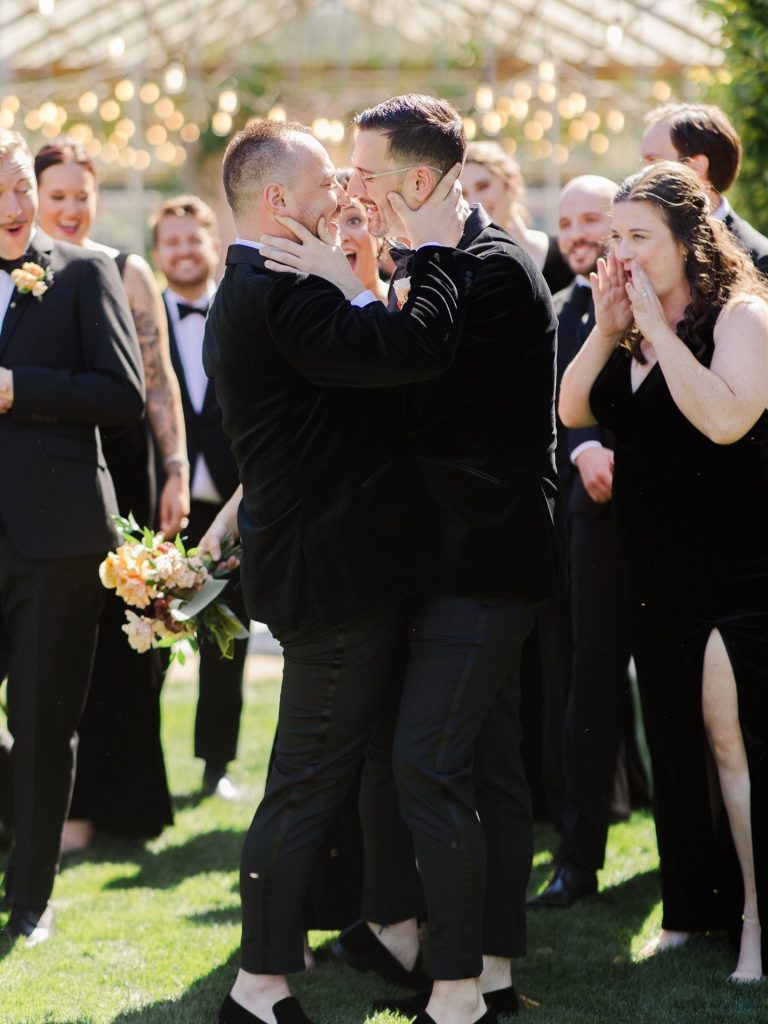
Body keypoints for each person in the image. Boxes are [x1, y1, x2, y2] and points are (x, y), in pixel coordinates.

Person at [260, 94, 561, 1024]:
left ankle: (466, 987)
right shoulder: (442, 261)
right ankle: (488, 973)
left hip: (487, 562)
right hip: (443, 562)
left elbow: (410, 391)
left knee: (431, 765)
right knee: (475, 765)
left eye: (366, 175)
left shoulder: (494, 269)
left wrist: (347, 287)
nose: (352, 190)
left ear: (421, 181)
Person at [202, 117, 475, 1024]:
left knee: (346, 765)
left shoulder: (258, 281)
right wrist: (358, 281)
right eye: (327, 188)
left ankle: (384, 924)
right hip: (332, 575)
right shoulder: (283, 288)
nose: (344, 200)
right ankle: (259, 980)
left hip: (336, 566)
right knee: (308, 776)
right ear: (278, 201)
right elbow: (401, 361)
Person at [559, 161, 768, 981]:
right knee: (677, 744)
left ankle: (756, 921)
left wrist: (662, 331)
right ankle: (691, 908)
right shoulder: (626, 321)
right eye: (615, 237)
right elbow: (572, 408)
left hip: (738, 570)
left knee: (730, 742)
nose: (622, 251)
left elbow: (723, 418)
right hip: (652, 571)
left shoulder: (742, 315)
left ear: (688, 240)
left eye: (638, 237)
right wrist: (610, 331)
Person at [0, 129, 144, 944]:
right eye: (5, 195)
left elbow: (121, 392)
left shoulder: (87, 271)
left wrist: (22, 388)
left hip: (55, 539)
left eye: (24, 187)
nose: (20, 208)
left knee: (45, 720)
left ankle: (32, 899)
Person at [34, 139, 185, 849]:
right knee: (61, 646)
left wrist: (177, 469)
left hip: (127, 471)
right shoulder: (22, 277)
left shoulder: (128, 271)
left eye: (81, 195)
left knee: (130, 645)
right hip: (51, 477)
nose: (70, 209)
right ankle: (61, 804)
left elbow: (159, 380)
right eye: (56, 196)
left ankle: (125, 807)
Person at [529, 175, 647, 909]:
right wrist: (584, 449)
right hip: (590, 523)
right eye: (566, 222)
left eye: (592, 220)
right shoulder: (563, 309)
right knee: (586, 693)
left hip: (673, 522)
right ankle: (578, 861)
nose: (576, 233)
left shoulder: (668, 301)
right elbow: (558, 404)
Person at [150, 195, 246, 799]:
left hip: (234, 506)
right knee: (150, 640)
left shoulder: (239, 311)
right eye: (172, 241)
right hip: (165, 509)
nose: (184, 250)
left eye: (194, 239)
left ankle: (218, 765)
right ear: (157, 253)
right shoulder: (142, 316)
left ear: (214, 244)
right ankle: (139, 769)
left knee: (226, 638)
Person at [641, 103, 768, 274]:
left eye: (653, 161)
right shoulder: (643, 246)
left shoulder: (758, 260)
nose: (642, 173)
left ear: (696, 167)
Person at [460, 140, 572, 293]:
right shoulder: (465, 270)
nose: (473, 202)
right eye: (463, 194)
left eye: (483, 186)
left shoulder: (567, 253)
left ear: (512, 182)